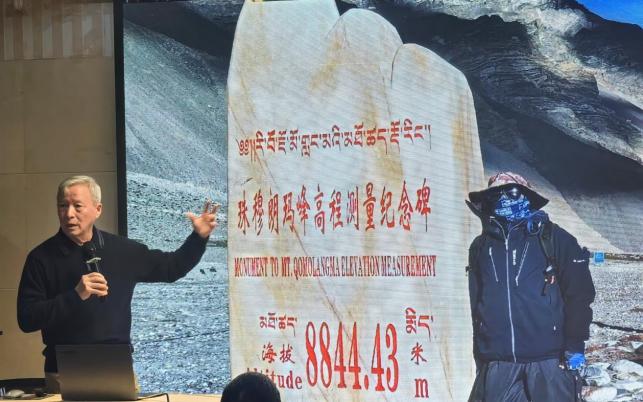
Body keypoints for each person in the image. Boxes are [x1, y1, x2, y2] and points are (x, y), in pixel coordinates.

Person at [16, 175, 218, 393]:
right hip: (63, 371)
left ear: (98, 209)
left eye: (77, 206)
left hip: (117, 369)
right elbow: (27, 319)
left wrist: (199, 237)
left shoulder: (123, 251)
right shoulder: (41, 258)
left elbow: (171, 268)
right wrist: (75, 296)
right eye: (63, 206)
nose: (69, 214)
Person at [465, 172, 595, 402]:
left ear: (526, 196)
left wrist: (575, 343)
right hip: (498, 362)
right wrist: (481, 352)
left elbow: (579, 295)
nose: (504, 200)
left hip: (549, 362)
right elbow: (476, 302)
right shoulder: (481, 246)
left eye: (512, 193)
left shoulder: (554, 238)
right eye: (496, 195)